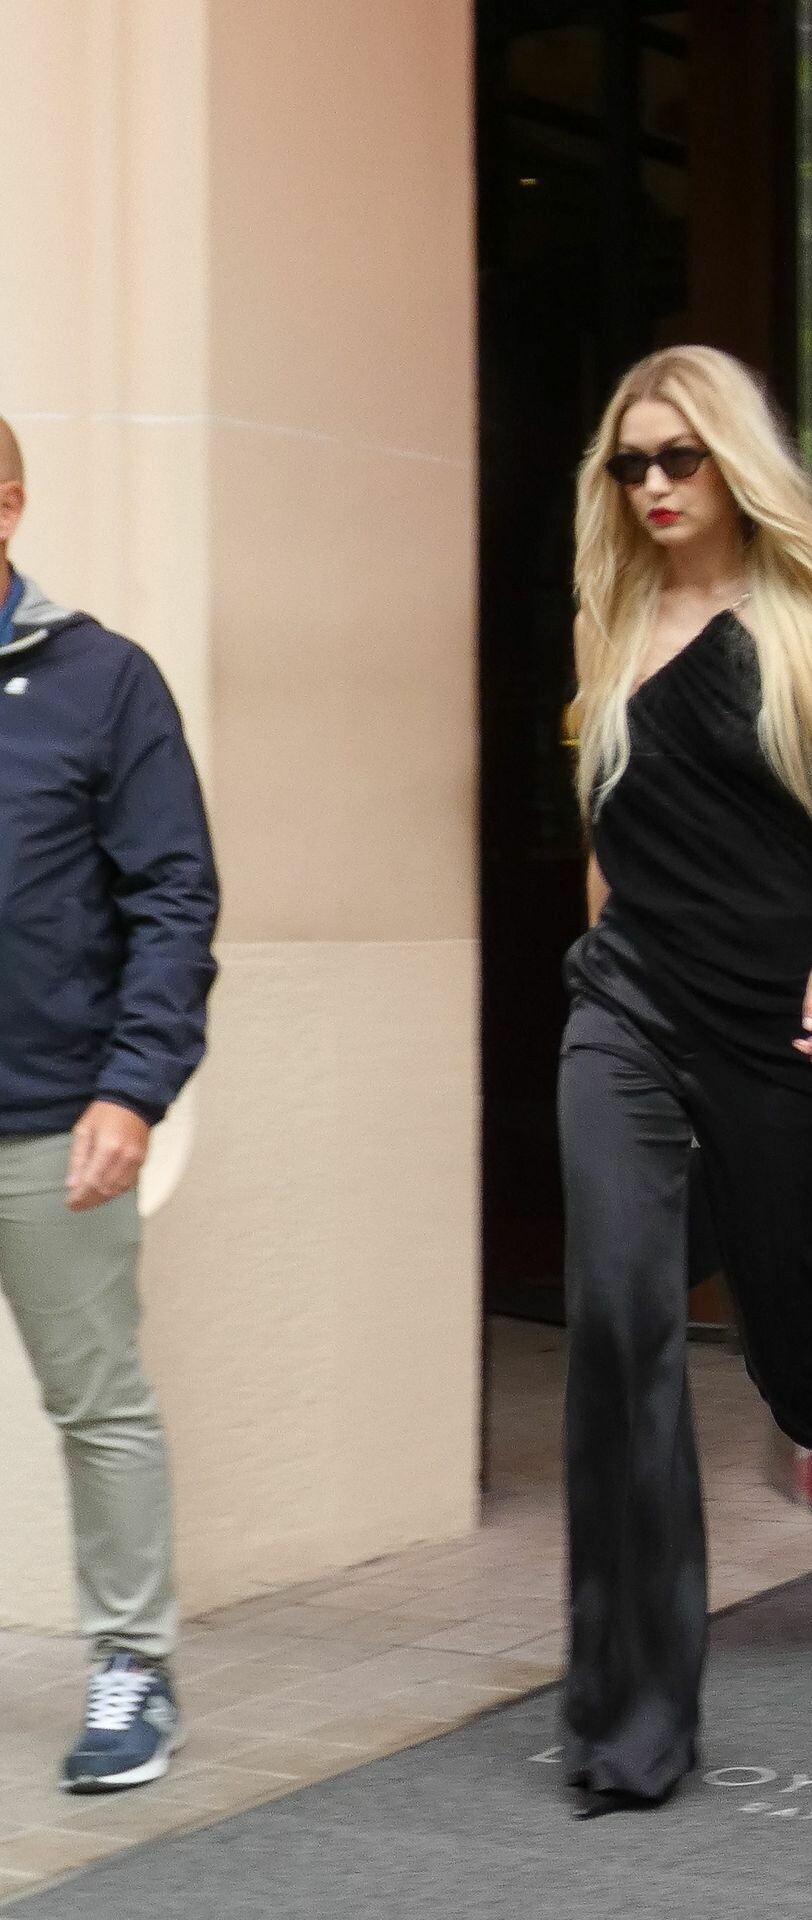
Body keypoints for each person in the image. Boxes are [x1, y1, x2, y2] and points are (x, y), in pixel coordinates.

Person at [556, 346, 812, 1819]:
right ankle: (628, 1716)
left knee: (794, 1358)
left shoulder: (809, 606)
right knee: (621, 1324)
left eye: (681, 458)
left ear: (732, 462)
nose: (655, 486)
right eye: (631, 465)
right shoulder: (608, 619)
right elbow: (608, 821)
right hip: (625, 1003)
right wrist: (598, 959)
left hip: (779, 1011)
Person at [0, 419, 220, 1791]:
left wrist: (135, 1089)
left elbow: (174, 896)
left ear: (7, 507)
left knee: (97, 1404)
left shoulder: (103, 681)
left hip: (49, 1120)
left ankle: (134, 1665)